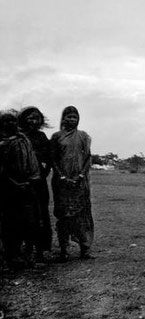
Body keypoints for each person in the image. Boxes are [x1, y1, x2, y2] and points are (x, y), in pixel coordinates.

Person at [50, 106, 95, 261]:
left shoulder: (83, 136)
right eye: (68, 116)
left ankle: (85, 249)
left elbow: (88, 158)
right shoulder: (56, 137)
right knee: (64, 217)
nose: (71, 119)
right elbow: (53, 159)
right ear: (63, 119)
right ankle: (64, 250)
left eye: (74, 117)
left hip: (80, 184)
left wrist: (81, 175)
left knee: (82, 216)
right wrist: (62, 177)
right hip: (62, 184)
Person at [0, 110, 43, 269]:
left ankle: (28, 254)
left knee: (29, 221)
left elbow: (33, 163)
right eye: (5, 121)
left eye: (12, 120)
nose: (9, 123)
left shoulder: (23, 139)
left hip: (28, 186)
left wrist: (31, 181)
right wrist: (15, 183)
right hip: (7, 188)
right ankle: (10, 256)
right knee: (9, 223)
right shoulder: (3, 142)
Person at [18, 106, 53, 261]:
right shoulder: (18, 136)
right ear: (23, 119)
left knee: (41, 213)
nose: (34, 121)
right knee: (24, 214)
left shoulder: (41, 136)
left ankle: (42, 248)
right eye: (30, 117)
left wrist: (42, 173)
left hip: (38, 181)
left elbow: (49, 157)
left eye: (37, 118)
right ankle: (25, 247)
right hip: (21, 183)